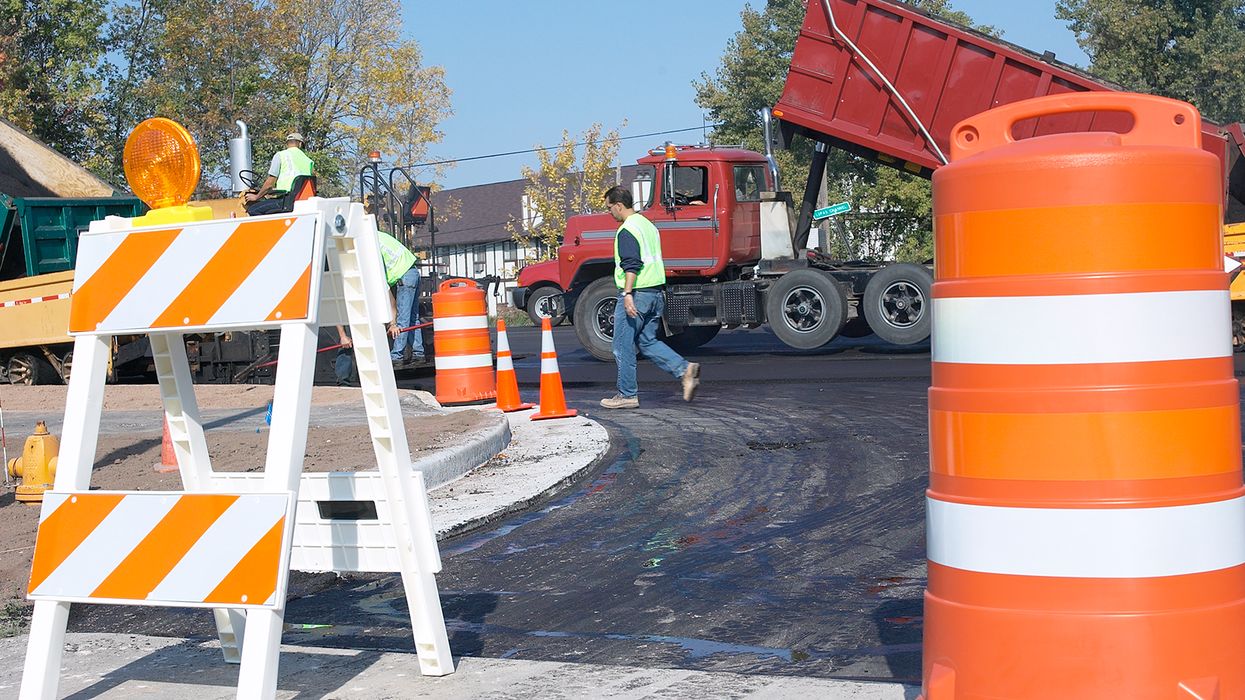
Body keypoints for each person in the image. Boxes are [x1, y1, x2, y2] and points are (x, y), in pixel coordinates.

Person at [600, 185, 699, 409]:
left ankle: (627, 394)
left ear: (618, 205)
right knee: (647, 342)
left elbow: (631, 265)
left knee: (621, 346)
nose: (609, 213)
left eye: (609, 208)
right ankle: (685, 370)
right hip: (656, 294)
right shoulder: (648, 225)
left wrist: (627, 294)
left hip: (637, 294)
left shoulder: (627, 230)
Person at [334, 228, 422, 382]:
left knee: (404, 319)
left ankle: (396, 356)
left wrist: (393, 323)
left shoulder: (368, 244)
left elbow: (384, 287)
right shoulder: (378, 235)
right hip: (413, 272)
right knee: (413, 318)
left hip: (403, 276)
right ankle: (418, 352)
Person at [244, 132, 314, 216]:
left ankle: (270, 229)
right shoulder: (308, 161)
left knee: (252, 210)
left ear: (287, 144)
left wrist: (257, 196)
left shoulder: (281, 155)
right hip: (303, 202)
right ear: (300, 144)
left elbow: (269, 184)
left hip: (286, 201)